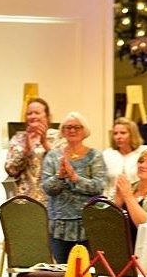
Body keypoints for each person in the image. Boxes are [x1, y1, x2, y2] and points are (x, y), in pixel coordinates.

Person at [41, 112, 106, 264]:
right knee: (62, 272)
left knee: (87, 272)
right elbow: (47, 188)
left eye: (77, 127)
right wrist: (60, 176)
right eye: (68, 127)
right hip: (59, 225)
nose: (72, 130)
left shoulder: (95, 155)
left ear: (85, 131)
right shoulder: (52, 156)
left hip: (88, 224)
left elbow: (99, 186)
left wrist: (75, 178)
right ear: (62, 131)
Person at [4, 98, 60, 205]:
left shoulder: (58, 137)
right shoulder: (18, 138)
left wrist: (45, 144)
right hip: (25, 200)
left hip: (52, 201)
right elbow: (11, 170)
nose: (33, 116)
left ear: (46, 116)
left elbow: (62, 166)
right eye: (29, 113)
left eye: (37, 113)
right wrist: (26, 150)